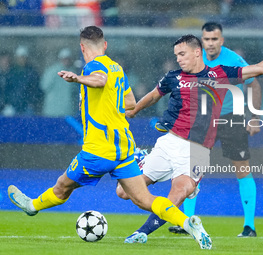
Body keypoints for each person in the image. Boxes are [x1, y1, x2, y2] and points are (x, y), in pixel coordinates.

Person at [7, 26, 212, 250]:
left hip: (98, 149)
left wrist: (78, 78)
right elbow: (131, 103)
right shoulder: (117, 68)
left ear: (82, 47)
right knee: (144, 199)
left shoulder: (93, 66)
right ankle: (187, 222)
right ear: (105, 45)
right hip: (123, 147)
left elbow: (99, 80)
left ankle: (32, 205)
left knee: (62, 187)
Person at [117, 34, 263, 243]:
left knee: (177, 195)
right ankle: (143, 159)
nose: (178, 59)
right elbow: (153, 95)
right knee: (123, 191)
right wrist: (132, 111)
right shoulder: (173, 77)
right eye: (176, 55)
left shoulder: (220, 74)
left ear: (197, 52)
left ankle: (141, 233)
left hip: (197, 151)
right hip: (168, 143)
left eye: (182, 54)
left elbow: (261, 68)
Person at [169, 22, 261, 237]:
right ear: (201, 42)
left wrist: (255, 118)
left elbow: (254, 84)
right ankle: (187, 222)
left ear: (222, 40)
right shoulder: (195, 59)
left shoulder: (232, 60)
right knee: (192, 170)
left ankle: (249, 227)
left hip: (231, 118)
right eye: (206, 39)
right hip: (204, 120)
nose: (210, 43)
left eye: (214, 39)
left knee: (242, 169)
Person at [40, 48, 79, 117]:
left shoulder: (73, 73)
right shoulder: (52, 71)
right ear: (60, 59)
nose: (66, 61)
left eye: (68, 59)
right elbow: (44, 86)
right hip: (53, 111)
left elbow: (75, 91)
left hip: (67, 111)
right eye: (64, 59)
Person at [5, 45, 42, 115]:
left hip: (27, 106)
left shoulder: (32, 72)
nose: (22, 59)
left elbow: (36, 89)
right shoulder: (11, 72)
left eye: (24, 57)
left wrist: (32, 102)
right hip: (13, 106)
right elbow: (7, 89)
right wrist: (8, 102)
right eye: (20, 57)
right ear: (17, 58)